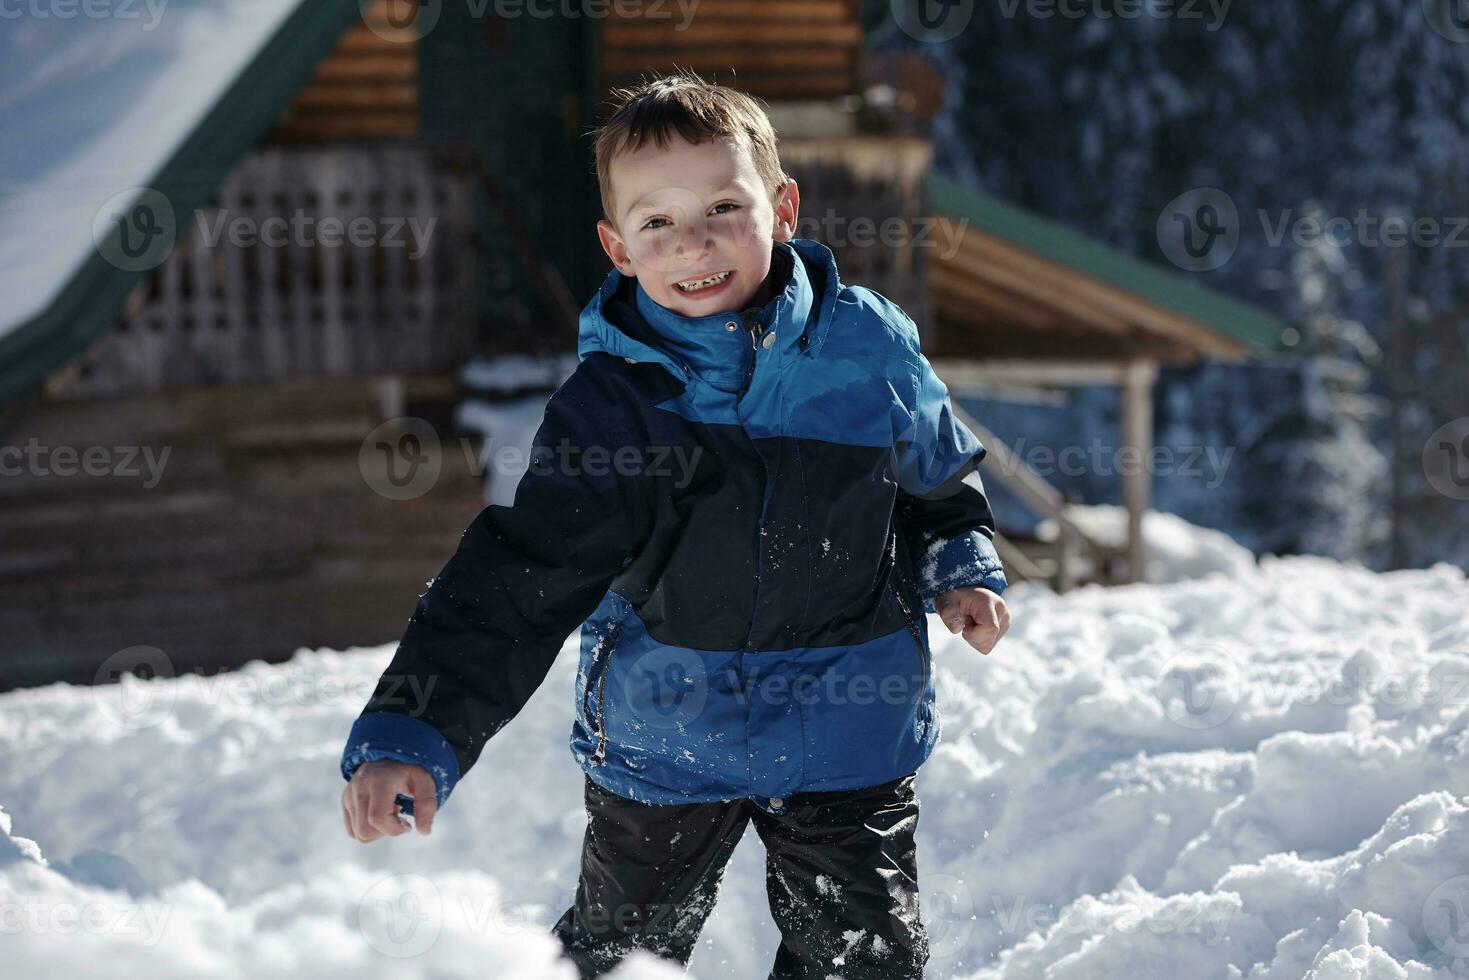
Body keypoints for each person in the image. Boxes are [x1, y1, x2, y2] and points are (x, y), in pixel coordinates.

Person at [339, 69, 1011, 979]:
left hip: (849, 733)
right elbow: (521, 577)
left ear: (783, 207)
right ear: (618, 249)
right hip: (669, 737)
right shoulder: (617, 406)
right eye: (657, 222)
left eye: (722, 208)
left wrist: (959, 558)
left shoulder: (868, 348)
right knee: (619, 958)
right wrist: (414, 730)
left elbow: (936, 475)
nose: (693, 244)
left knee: (867, 961)